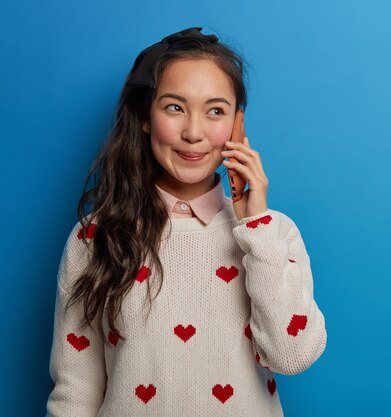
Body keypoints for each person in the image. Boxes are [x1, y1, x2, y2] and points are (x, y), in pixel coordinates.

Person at [45, 27, 327, 416]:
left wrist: (255, 227)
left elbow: (291, 356)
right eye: (175, 107)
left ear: (237, 125)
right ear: (146, 117)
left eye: (215, 111)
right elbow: (75, 391)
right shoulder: (96, 236)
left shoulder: (274, 233)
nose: (193, 133)